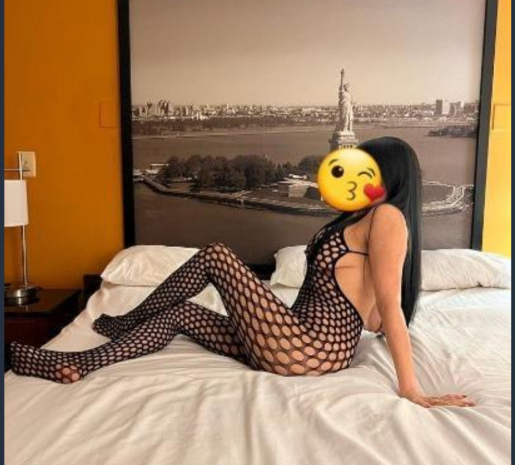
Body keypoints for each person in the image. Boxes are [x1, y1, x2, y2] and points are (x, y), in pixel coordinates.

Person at [10, 137, 474, 408]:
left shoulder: (387, 218)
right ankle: (78, 363)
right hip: (291, 339)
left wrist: (410, 387)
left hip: (310, 348)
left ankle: (125, 321)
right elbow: (367, 304)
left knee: (216, 255)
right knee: (181, 315)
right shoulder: (361, 218)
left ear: (388, 173)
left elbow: (386, 305)